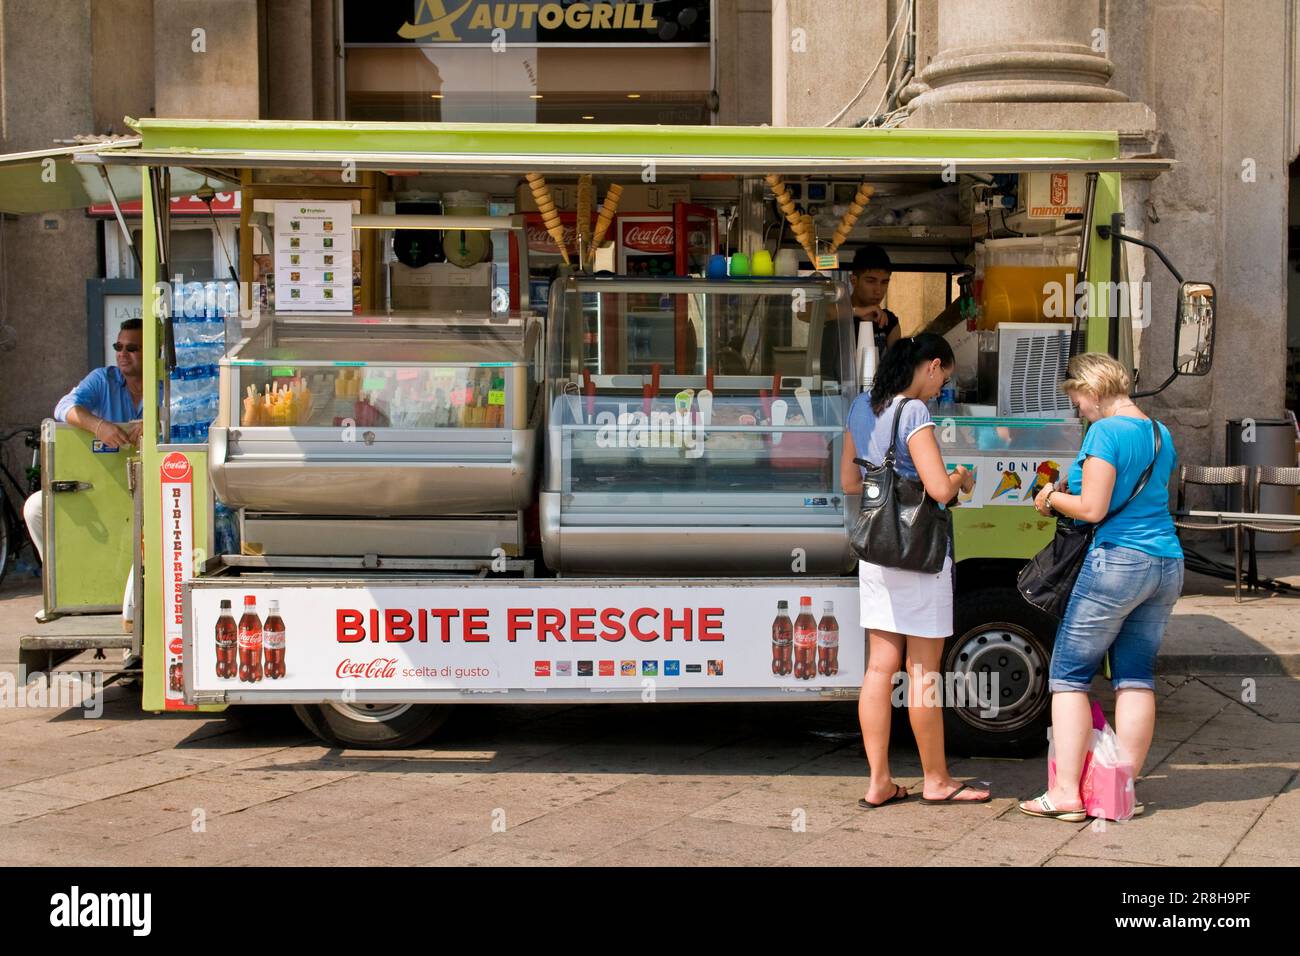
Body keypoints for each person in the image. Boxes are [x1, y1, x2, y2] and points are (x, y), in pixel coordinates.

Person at [1019, 353, 1182, 822]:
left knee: (1068, 676)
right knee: (1135, 676)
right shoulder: (1158, 431)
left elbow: (1090, 507)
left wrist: (1050, 499)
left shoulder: (1106, 432)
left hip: (1118, 562)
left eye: (1078, 401)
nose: (1079, 410)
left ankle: (1067, 792)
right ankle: (1117, 790)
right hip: (1166, 563)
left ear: (1091, 389)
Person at [840, 333, 988, 808]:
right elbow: (940, 490)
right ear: (930, 366)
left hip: (877, 552)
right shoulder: (915, 412)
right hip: (919, 554)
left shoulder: (862, 406)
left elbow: (848, 479)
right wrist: (962, 477)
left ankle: (879, 781)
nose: (940, 387)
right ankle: (936, 780)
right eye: (942, 376)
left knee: (879, 668)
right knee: (922, 669)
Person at [23, 318, 144, 622]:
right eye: (119, 346)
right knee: (36, 507)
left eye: (132, 348)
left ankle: (136, 604)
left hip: (148, 488)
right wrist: (98, 426)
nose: (122, 353)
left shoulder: (168, 383)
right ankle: (61, 593)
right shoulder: (103, 379)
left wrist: (155, 427)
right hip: (100, 487)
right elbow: (64, 407)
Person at [818, 243, 902, 381]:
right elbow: (803, 312)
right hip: (830, 393)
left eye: (884, 282)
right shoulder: (836, 312)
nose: (878, 290)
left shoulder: (888, 321)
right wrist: (857, 312)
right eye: (871, 281)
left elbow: (898, 368)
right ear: (853, 280)